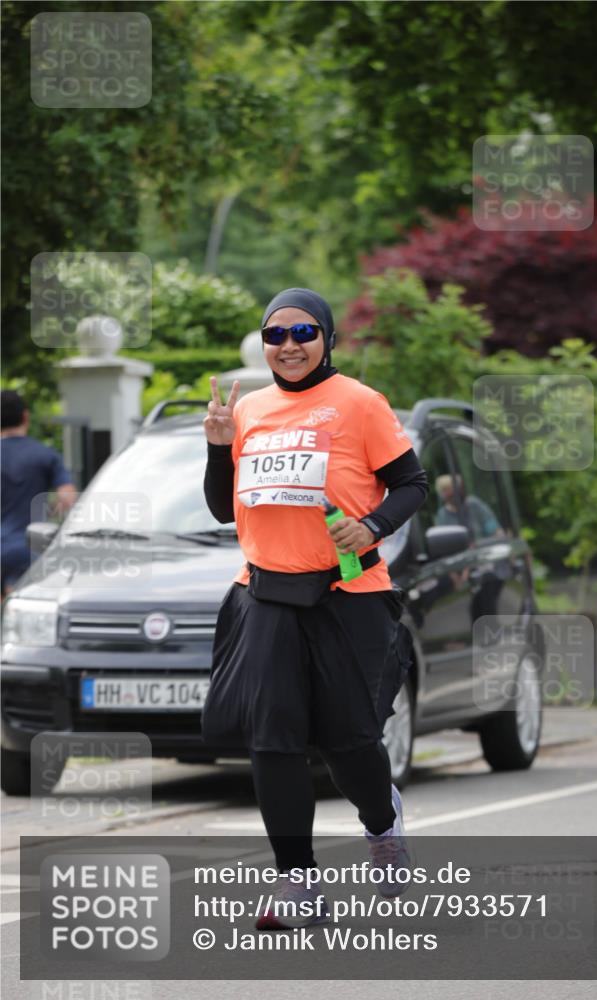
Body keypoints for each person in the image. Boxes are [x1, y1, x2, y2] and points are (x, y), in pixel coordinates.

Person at [201, 287, 428, 929]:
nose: (289, 346)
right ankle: (298, 887)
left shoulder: (359, 402)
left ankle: (381, 821)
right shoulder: (249, 411)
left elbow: (411, 484)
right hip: (265, 592)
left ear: (327, 337)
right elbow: (225, 509)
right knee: (271, 741)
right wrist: (220, 446)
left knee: (348, 738)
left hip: (346, 592)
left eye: (303, 333)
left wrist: (374, 524)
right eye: (276, 335)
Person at [1, 390, 77, 598]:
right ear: (25, 416)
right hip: (26, 547)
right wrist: (52, 510)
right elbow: (67, 497)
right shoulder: (45, 455)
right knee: (16, 608)